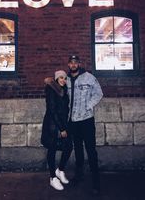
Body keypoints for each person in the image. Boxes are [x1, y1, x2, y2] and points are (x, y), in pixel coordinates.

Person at [67, 55, 103, 195]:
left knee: (91, 151)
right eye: (71, 62)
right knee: (78, 150)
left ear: (79, 64)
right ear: (69, 64)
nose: (73, 65)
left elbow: (99, 93)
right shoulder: (67, 79)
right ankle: (79, 176)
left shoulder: (89, 77)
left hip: (87, 120)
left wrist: (89, 106)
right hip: (73, 121)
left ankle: (96, 182)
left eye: (76, 62)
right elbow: (58, 90)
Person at [41, 70, 73, 191]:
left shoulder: (63, 91)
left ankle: (60, 170)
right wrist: (62, 128)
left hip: (62, 124)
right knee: (52, 149)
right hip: (52, 126)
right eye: (60, 78)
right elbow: (53, 110)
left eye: (65, 78)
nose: (63, 80)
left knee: (69, 146)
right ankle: (53, 178)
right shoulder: (51, 90)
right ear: (56, 79)